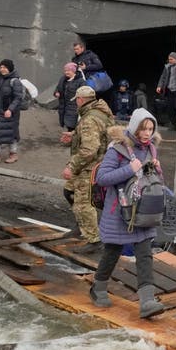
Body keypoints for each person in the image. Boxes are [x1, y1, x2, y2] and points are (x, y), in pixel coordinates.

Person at [88, 108, 168, 319]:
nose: (147, 133)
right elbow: (103, 178)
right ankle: (98, 287)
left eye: (150, 129)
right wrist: (129, 169)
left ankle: (148, 301)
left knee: (145, 253)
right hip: (119, 212)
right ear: (134, 127)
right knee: (112, 251)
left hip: (143, 212)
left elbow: (154, 182)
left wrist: (157, 170)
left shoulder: (151, 149)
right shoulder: (117, 149)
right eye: (143, 129)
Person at [61, 85, 114, 251]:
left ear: (80, 100)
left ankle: (94, 240)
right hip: (98, 161)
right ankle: (80, 226)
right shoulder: (99, 113)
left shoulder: (89, 119)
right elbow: (98, 135)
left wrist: (72, 165)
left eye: (76, 100)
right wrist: (74, 135)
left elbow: (89, 150)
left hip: (90, 166)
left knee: (84, 203)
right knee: (68, 191)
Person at [54, 62, 86, 142]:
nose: (66, 72)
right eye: (65, 71)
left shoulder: (80, 81)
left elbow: (84, 93)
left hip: (75, 106)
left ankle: (73, 140)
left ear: (74, 71)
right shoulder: (63, 79)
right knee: (68, 124)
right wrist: (56, 93)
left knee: (73, 124)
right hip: (64, 106)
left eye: (69, 71)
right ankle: (70, 139)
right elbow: (58, 88)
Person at [155, 53, 176, 130]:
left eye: (171, 59)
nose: (169, 61)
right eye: (169, 59)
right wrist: (159, 86)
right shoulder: (167, 67)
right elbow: (162, 77)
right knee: (169, 110)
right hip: (169, 91)